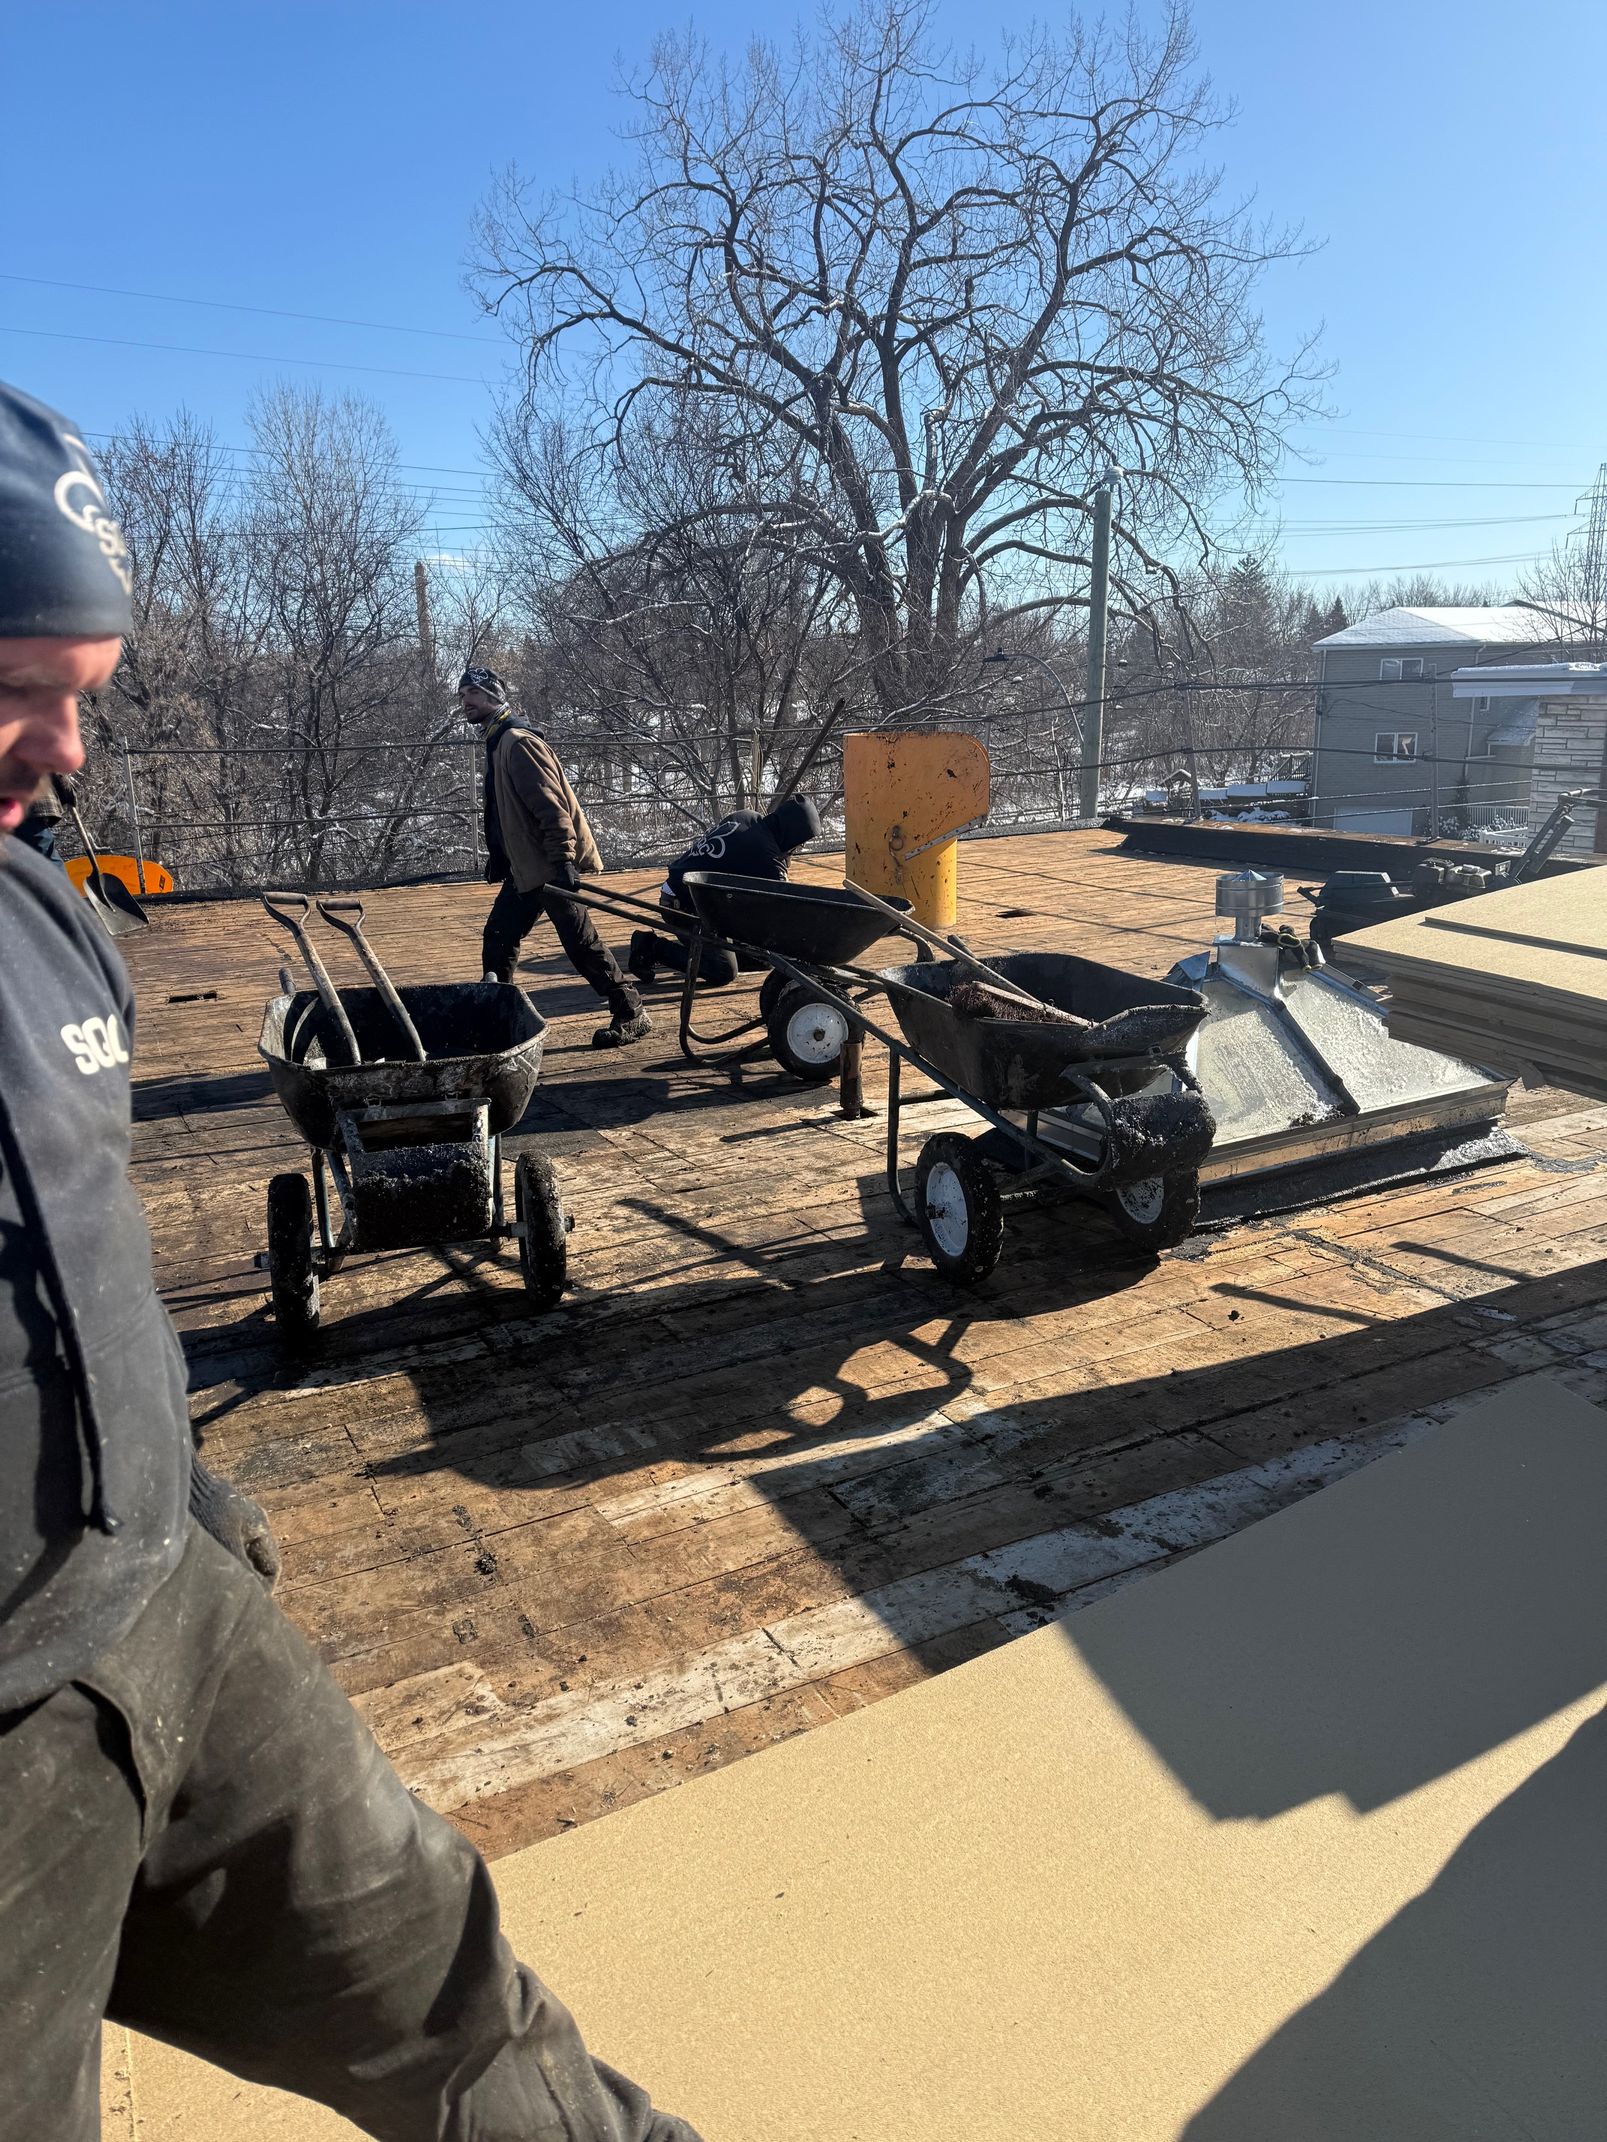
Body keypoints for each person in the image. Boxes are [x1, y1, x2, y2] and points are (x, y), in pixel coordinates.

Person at [0, 379, 700, 2142]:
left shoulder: (42, 912)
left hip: (165, 1608)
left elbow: (82, 1238)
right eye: (22, 692)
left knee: (470, 2018)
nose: (68, 756)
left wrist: (183, 1493)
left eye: (81, 700)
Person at [461, 665, 651, 1048]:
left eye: (473, 694)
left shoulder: (517, 742)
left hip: (546, 862)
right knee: (499, 937)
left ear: (494, 697)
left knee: (581, 943)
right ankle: (499, 1020)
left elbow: (551, 807)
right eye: (462, 695)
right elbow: (505, 809)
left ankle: (631, 1011)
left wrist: (564, 858)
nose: (466, 702)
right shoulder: (498, 741)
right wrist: (500, 854)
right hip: (525, 865)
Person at [628, 795, 823, 988]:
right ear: (793, 834)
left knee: (762, 957)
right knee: (722, 970)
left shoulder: (747, 816)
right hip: (684, 905)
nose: (798, 849)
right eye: (799, 843)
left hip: (691, 895)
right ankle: (650, 946)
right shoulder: (767, 857)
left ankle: (707, 952)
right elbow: (784, 908)